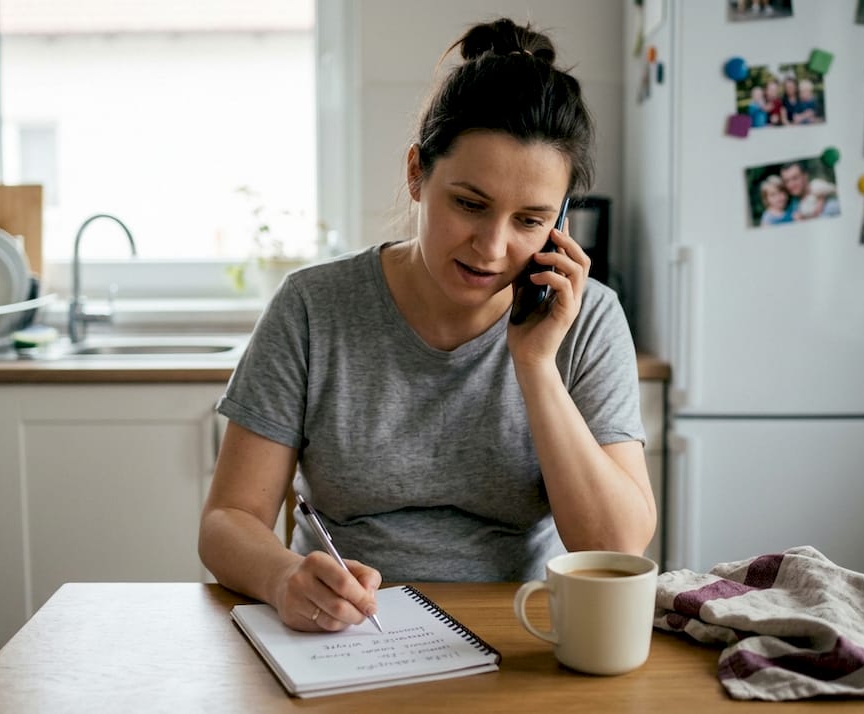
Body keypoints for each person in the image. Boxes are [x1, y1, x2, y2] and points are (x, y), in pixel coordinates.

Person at [199, 18, 655, 632]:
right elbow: (228, 519)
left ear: (561, 219)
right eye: (469, 204)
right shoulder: (313, 308)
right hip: (346, 634)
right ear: (417, 173)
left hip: (520, 633)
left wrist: (536, 365)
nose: (492, 248)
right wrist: (284, 577)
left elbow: (616, 547)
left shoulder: (589, 318)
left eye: (529, 220)